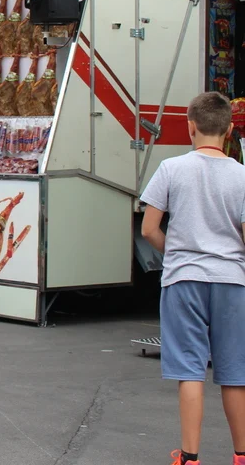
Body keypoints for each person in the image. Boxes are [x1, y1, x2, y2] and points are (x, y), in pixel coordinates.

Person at [140, 92, 245, 465]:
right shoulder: (242, 175)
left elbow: (149, 228)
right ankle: (241, 455)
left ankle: (189, 457)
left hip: (183, 280)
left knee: (190, 371)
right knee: (235, 373)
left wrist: (176, 252)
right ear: (229, 131)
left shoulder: (171, 168)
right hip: (231, 281)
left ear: (190, 127)